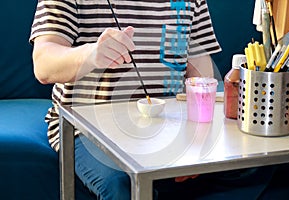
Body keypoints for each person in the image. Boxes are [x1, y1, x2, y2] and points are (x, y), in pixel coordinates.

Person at [30, 0, 276, 199]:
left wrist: (198, 144)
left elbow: (200, 74)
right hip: (87, 128)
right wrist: (91, 54)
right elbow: (43, 64)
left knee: (254, 164)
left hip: (171, 124)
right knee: (122, 182)